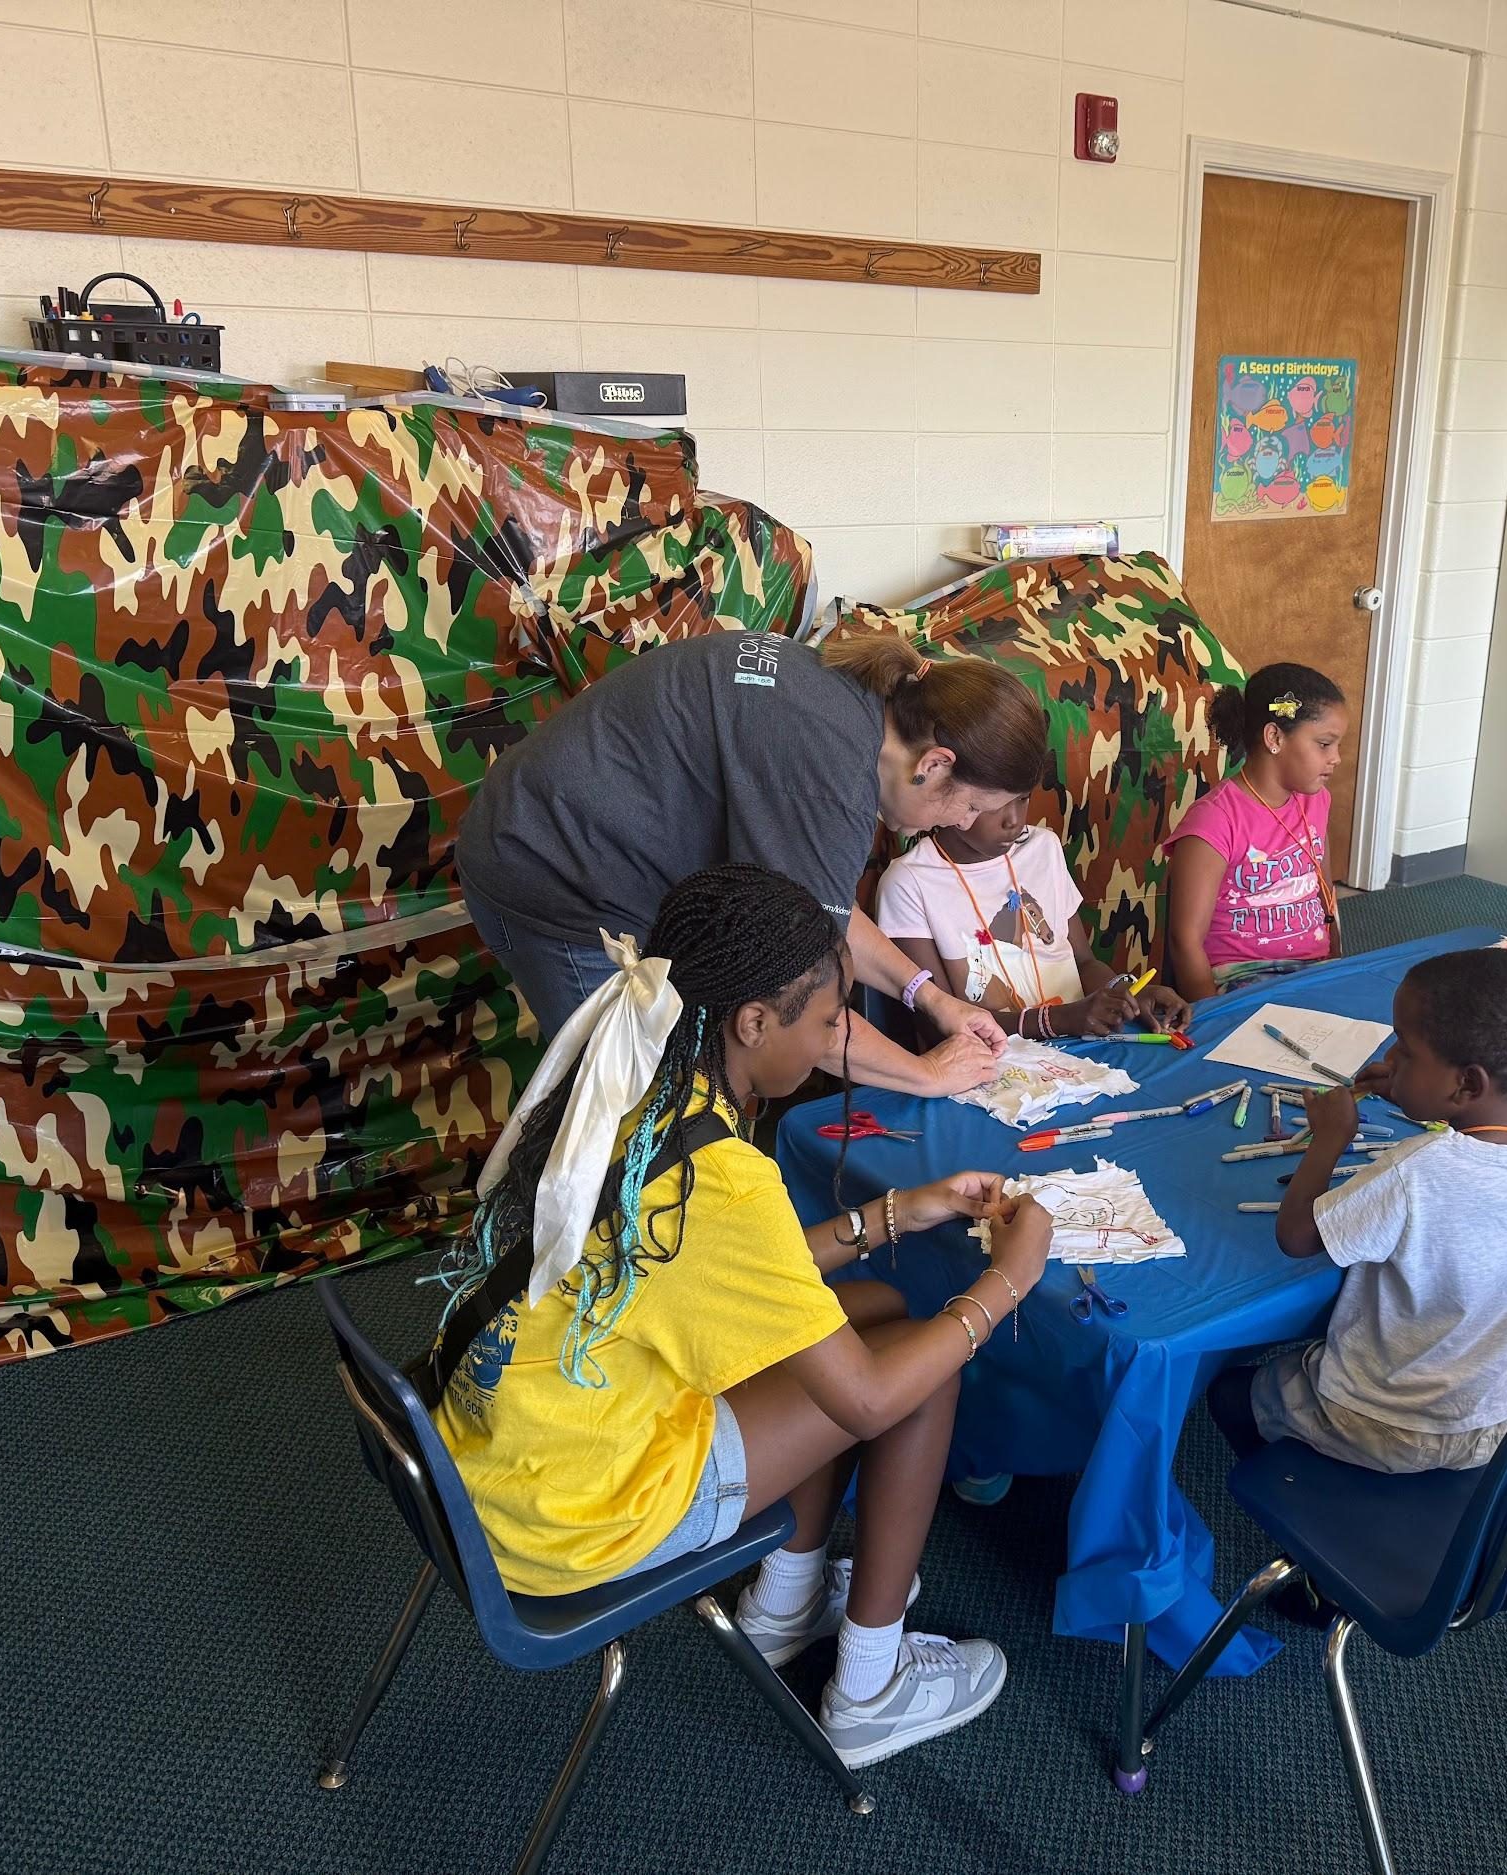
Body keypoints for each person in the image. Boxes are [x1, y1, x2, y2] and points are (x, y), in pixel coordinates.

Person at [434, 864, 1056, 1768]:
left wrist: (901, 1211)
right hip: (575, 1511)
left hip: (500, 1450)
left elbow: (744, 1275)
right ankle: (871, 1689)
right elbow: (873, 1397)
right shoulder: (722, 1174)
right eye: (830, 1018)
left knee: (877, 1304)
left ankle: (784, 1602)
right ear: (754, 1022)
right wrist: (1009, 1280)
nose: (838, 1037)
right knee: (925, 1364)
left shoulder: (639, 1074)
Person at [455, 627, 1048, 1095]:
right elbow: (795, 998)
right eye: (971, 805)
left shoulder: (855, 703)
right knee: (641, 1122)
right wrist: (927, 1074)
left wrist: (931, 996)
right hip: (552, 879)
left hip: (576, 841)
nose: (966, 824)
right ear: (937, 763)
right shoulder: (830, 773)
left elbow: (820, 911)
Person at [1209, 947, 1507, 1477]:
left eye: (1406, 1050)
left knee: (1228, 1391)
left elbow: (1297, 1236)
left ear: (1467, 1084)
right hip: (1494, 1416)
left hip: (1386, 1423)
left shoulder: (1415, 1172)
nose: (1392, 1059)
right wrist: (1414, 1091)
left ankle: (1307, 1488)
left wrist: (1330, 1140)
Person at [876, 791, 1191, 1042]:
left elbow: (1083, 962)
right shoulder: (908, 882)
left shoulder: (1044, 847)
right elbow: (939, 1026)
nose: (1013, 819)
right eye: (997, 803)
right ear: (956, 792)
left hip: (1085, 1049)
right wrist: (1059, 1020)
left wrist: (1129, 993)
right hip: (992, 1070)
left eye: (1023, 797)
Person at [1165, 662, 1349, 1002]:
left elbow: (1325, 891)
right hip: (1242, 981)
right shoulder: (1214, 821)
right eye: (1324, 744)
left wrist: (1338, 965)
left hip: (1313, 970)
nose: (1336, 758)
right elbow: (1184, 941)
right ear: (1274, 737)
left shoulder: (1316, 801)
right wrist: (1210, 1021)